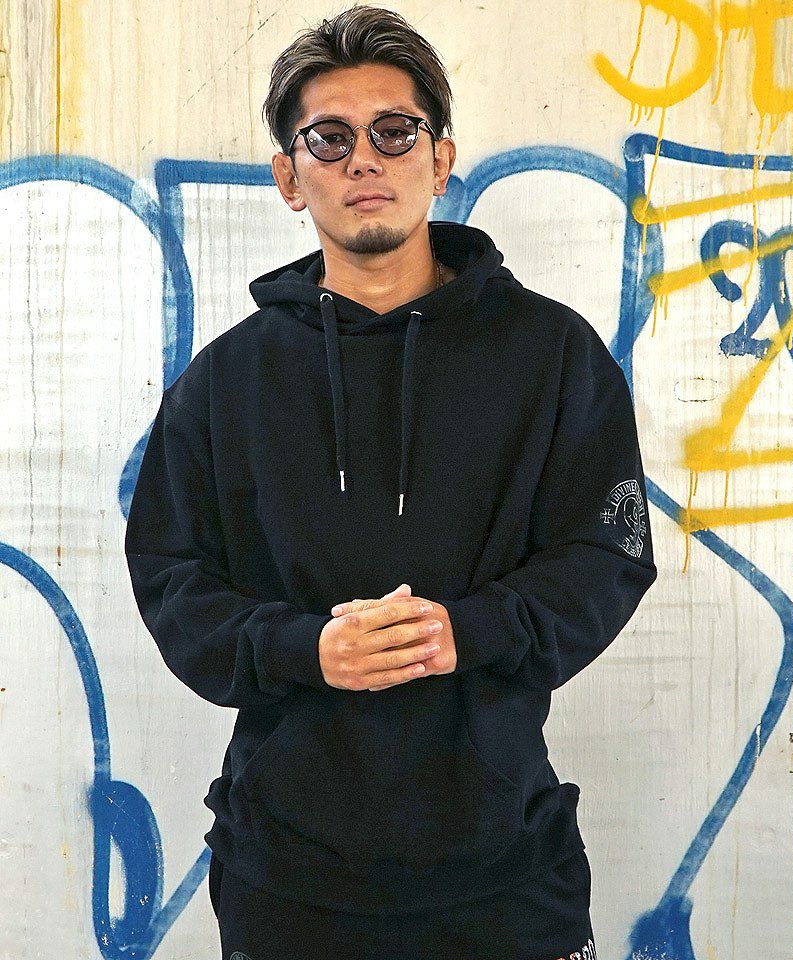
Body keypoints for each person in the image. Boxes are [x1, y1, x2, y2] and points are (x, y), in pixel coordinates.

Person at [124, 6, 657, 959]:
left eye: (394, 132)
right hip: (288, 884)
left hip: (506, 876)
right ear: (290, 178)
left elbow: (606, 555)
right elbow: (171, 579)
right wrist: (303, 647)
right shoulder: (226, 381)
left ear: (441, 159)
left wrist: (469, 631)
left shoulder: (551, 354)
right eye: (329, 138)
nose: (364, 159)